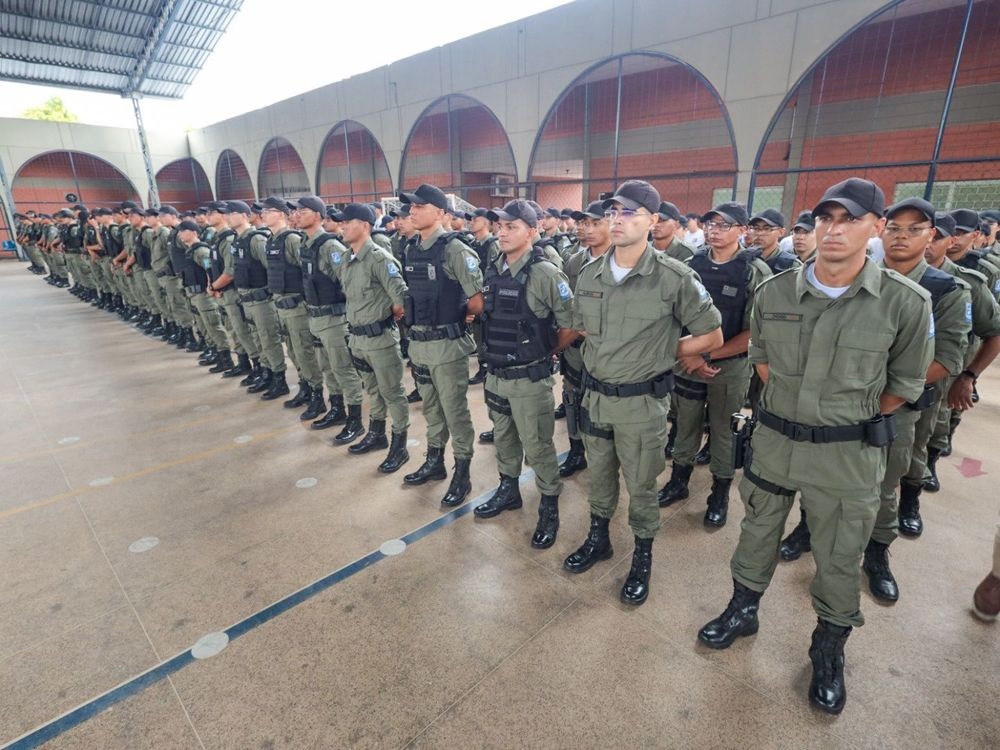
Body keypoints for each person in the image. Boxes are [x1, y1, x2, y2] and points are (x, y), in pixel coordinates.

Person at [697, 178, 933, 715]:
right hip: (777, 440)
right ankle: (742, 608)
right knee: (757, 531)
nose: (833, 230)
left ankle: (827, 646)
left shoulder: (904, 303)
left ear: (875, 227)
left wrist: (835, 420)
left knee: (839, 554)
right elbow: (762, 362)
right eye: (825, 219)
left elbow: (902, 387)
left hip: (846, 455)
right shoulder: (775, 290)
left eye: (849, 219)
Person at [563, 180, 722, 605]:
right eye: (612, 212)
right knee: (598, 477)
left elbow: (712, 334)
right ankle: (600, 539)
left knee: (642, 485)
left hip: (640, 404)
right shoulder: (590, 272)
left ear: (653, 221)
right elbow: (583, 330)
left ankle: (642, 558)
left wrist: (665, 351)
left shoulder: (673, 277)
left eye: (628, 213)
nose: (616, 220)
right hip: (595, 397)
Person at [658, 202, 771, 527]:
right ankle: (678, 482)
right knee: (684, 425)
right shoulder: (689, 265)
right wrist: (688, 355)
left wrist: (706, 354)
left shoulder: (754, 272)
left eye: (724, 225)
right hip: (688, 363)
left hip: (730, 369)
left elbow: (755, 332)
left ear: (742, 230)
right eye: (710, 224)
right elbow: (674, 316)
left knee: (725, 431)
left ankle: (719, 494)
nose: (714, 230)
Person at [473, 200, 577, 549]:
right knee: (503, 437)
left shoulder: (545, 273)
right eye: (500, 225)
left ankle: (549, 504)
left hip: (530, 379)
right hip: (497, 375)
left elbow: (572, 324)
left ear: (532, 231)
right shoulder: (493, 268)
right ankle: (508, 490)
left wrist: (545, 352)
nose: (502, 232)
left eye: (512, 226)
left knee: (537, 444)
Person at [397, 184, 484, 507]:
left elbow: (477, 301)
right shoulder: (412, 248)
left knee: (455, 411)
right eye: (412, 207)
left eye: (420, 206)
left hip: (447, 348)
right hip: (420, 345)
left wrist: (458, 319)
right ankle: (435, 461)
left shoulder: (455, 249)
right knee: (432, 409)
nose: (413, 211)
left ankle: (463, 469)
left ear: (441, 213)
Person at [328, 203, 411, 473]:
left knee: (392, 393)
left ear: (364, 225)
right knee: (373, 391)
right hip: (358, 340)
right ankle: (377, 433)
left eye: (347, 222)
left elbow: (401, 298)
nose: (342, 226)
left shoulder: (379, 259)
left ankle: (400, 445)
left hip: (380, 339)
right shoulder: (346, 259)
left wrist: (384, 315)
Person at [294, 196, 366, 438]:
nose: (298, 214)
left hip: (334, 319)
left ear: (318, 215)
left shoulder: (330, 246)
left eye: (303, 211)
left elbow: (348, 282)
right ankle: (337, 409)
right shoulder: (305, 244)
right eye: (297, 211)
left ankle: (355, 420)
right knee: (327, 367)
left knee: (343, 368)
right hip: (315, 317)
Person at [557, 199, 608, 478]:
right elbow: (566, 307)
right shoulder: (574, 260)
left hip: (607, 351)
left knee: (603, 405)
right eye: (583, 223)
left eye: (595, 222)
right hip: (576, 346)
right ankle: (576, 452)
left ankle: (604, 460)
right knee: (573, 397)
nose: (587, 229)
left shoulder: (620, 262)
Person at [260, 196, 325, 415]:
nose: (263, 215)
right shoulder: (271, 240)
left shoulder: (291, 240)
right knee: (294, 351)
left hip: (297, 307)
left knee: (304, 351)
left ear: (280, 213)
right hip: (281, 306)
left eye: (267, 211)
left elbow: (307, 273)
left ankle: (317, 394)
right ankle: (305, 386)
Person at [231, 201, 287, 397]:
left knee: (268, 339)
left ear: (245, 216)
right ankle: (267, 372)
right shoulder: (238, 240)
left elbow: (271, 270)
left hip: (262, 301)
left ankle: (279, 379)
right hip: (248, 300)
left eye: (233, 213)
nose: (229, 216)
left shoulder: (256, 240)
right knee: (258, 338)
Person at [467, 207, 501, 385]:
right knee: (478, 334)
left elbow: (493, 272)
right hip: (474, 295)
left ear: (487, 223)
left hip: (486, 297)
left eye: (476, 219)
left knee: (487, 334)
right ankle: (482, 365)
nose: (472, 222)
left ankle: (488, 367)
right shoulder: (473, 245)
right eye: (471, 220)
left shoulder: (492, 244)